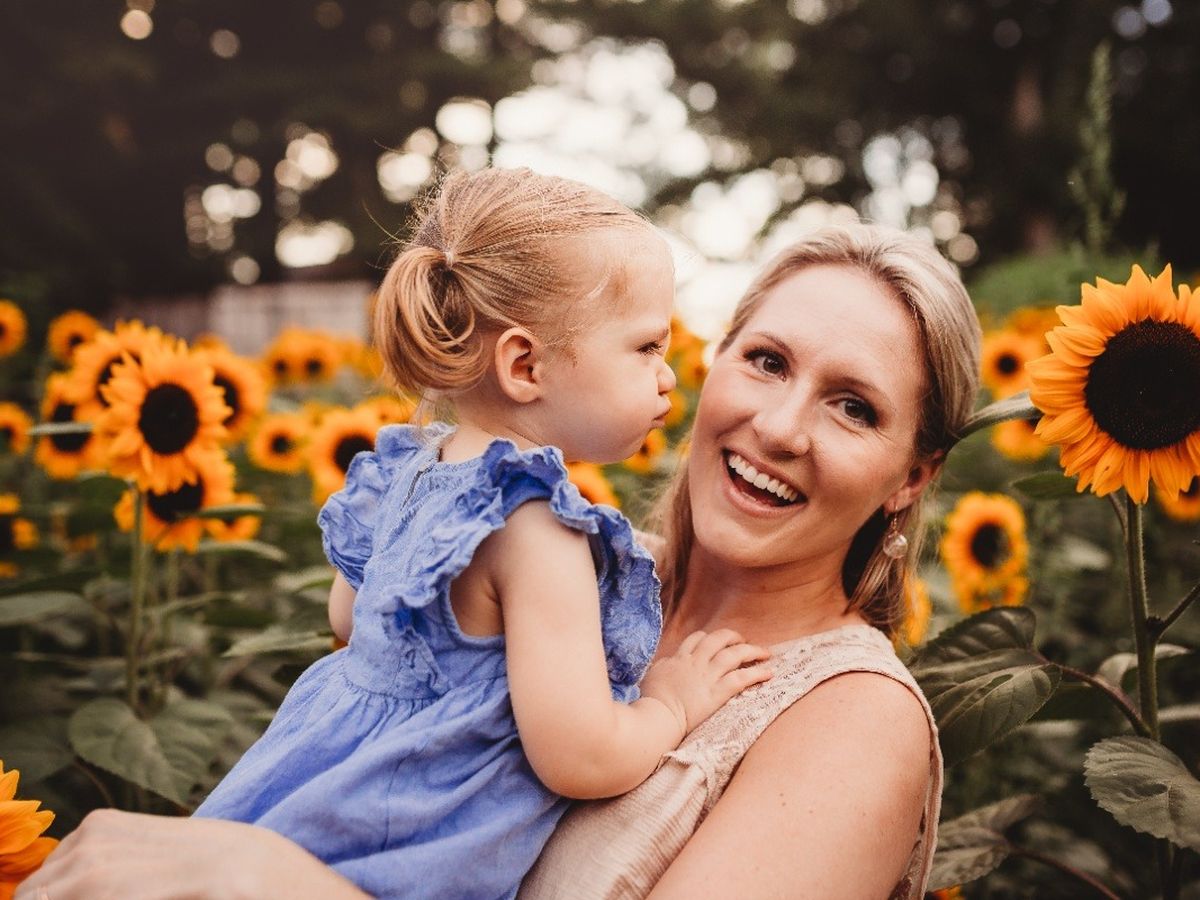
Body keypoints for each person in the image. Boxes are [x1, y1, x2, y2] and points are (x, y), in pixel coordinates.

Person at [17, 221, 982, 900]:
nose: (779, 427)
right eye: (766, 360)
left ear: (913, 475)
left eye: (853, 407)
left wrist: (273, 880)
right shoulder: (550, 564)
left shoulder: (852, 722)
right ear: (713, 363)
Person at [189, 167, 773, 899]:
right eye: (647, 348)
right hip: (402, 845)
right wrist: (673, 703)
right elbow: (581, 757)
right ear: (524, 365)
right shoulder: (537, 527)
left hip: (311, 792)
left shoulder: (412, 467)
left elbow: (348, 617)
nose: (667, 377)